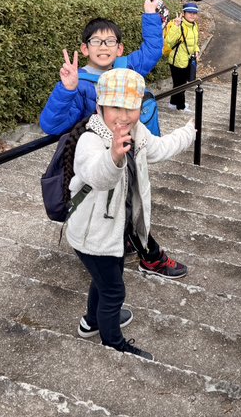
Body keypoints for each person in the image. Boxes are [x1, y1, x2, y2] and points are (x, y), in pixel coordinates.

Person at [39, 0, 189, 280]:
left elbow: (153, 51)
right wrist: (66, 89)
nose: (104, 46)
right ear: (84, 49)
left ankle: (135, 252)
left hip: (134, 154)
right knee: (114, 206)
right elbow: (52, 125)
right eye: (96, 41)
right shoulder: (80, 83)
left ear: (120, 49)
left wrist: (150, 15)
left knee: (131, 201)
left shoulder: (128, 68)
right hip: (101, 161)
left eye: (110, 41)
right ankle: (138, 256)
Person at [69, 68, 196, 362]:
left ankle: (91, 322)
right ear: (99, 106)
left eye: (131, 108)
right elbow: (97, 176)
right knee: (114, 292)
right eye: (115, 107)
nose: (123, 116)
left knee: (104, 281)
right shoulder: (90, 140)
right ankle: (113, 343)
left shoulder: (138, 133)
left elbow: (161, 148)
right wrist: (114, 156)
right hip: (92, 236)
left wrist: (189, 132)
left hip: (115, 232)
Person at [164, 2, 200, 112]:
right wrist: (176, 26)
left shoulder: (194, 25)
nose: (192, 15)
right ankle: (181, 107)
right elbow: (169, 41)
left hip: (187, 59)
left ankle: (173, 103)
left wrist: (197, 50)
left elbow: (193, 42)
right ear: (183, 13)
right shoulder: (179, 25)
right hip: (177, 61)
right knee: (181, 85)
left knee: (179, 83)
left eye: (194, 13)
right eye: (189, 12)